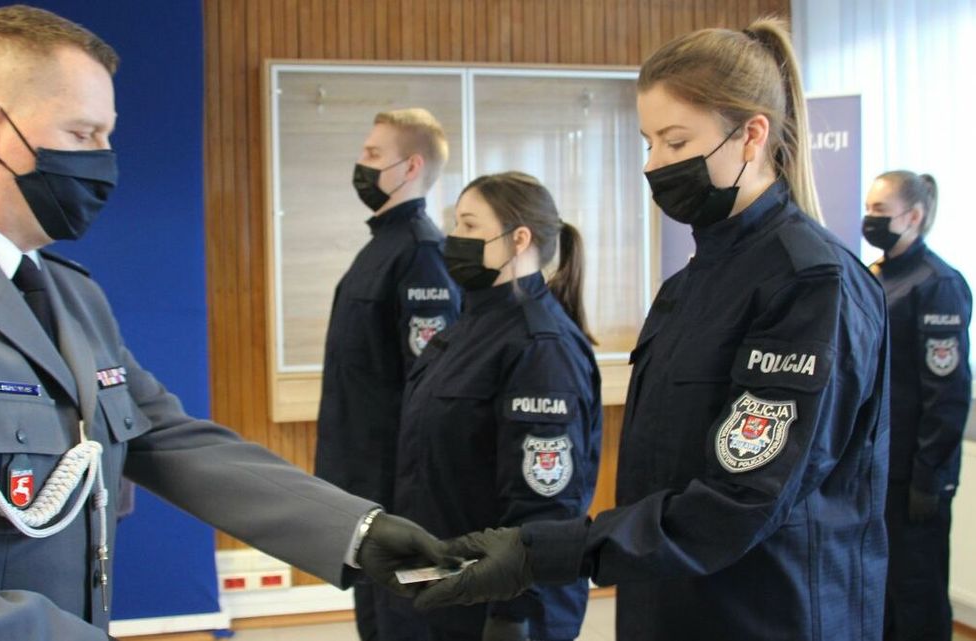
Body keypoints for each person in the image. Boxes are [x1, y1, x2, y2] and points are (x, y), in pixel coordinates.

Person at [0, 7, 449, 640]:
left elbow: (171, 441)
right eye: (83, 133)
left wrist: (358, 533)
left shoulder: (70, 296)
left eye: (107, 135)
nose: (105, 161)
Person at [415, 17, 890, 641]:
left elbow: (742, 498)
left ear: (751, 136)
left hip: (768, 614)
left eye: (675, 141)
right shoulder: (689, 284)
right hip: (667, 605)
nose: (654, 164)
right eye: (648, 142)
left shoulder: (811, 282)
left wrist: (546, 552)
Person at [390, 172, 601, 641]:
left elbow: (544, 502)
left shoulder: (540, 347)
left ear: (519, 239)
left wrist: (513, 617)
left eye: (469, 225)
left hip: (501, 607)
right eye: (455, 224)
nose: (453, 238)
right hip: (448, 587)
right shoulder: (470, 326)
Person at [315, 107, 461, 640]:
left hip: (397, 492)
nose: (361, 164)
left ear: (411, 167)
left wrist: (407, 497)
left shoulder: (422, 254)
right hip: (362, 486)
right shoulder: (380, 247)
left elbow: (429, 386)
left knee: (403, 626)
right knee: (375, 624)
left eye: (374, 155)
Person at [863, 171, 971, 641]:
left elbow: (946, 395)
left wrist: (931, 477)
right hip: (877, 468)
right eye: (868, 209)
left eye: (880, 211)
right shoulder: (876, 276)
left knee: (916, 594)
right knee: (881, 592)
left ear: (914, 216)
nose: (870, 220)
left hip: (915, 476)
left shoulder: (937, 284)